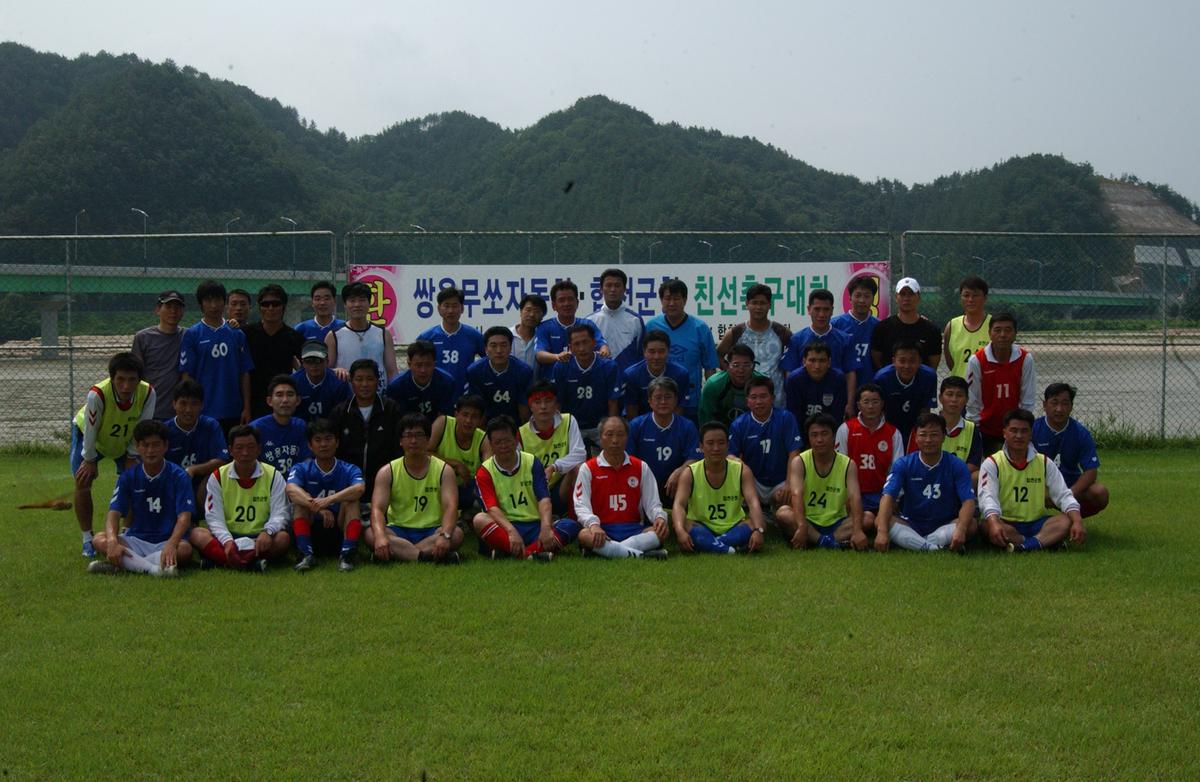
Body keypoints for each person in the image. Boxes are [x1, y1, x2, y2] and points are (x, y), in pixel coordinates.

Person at [71, 352, 156, 557]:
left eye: (131, 380)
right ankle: (87, 539)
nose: (126, 386)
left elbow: (143, 427)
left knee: (135, 481)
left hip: (125, 440)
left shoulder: (148, 393)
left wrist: (132, 455)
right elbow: (91, 430)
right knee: (82, 481)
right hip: (91, 438)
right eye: (120, 379)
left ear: (139, 379)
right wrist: (89, 460)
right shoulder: (97, 394)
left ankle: (128, 534)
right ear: (112, 378)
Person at [87, 420, 193, 577]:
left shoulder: (179, 475)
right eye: (145, 445)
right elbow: (114, 513)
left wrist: (171, 544)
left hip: (166, 539)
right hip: (136, 540)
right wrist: (112, 541)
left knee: (184, 550)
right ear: (137, 447)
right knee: (99, 539)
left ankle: (124, 565)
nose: (150, 450)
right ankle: (154, 569)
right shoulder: (128, 476)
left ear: (165, 446)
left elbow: (185, 517)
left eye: (156, 445)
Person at [473, 416, 581, 561]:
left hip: (535, 525)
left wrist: (546, 527)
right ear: (491, 445)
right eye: (498, 442)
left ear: (516, 439)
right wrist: (511, 531)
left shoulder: (532, 462)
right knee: (479, 519)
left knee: (571, 526)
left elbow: (544, 499)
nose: (503, 446)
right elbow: (492, 508)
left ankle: (514, 553)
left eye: (507, 440)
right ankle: (533, 554)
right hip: (506, 526)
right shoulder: (484, 471)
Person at [979, 409, 1086, 552]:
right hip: (1007, 522)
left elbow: (1063, 495)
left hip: (1037, 523)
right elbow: (987, 497)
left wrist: (1078, 521)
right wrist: (994, 522)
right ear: (1004, 433)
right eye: (1014, 430)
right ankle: (1044, 542)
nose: (1019, 436)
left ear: (1031, 434)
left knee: (1065, 521)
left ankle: (1023, 547)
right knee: (986, 526)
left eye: (1024, 431)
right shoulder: (992, 463)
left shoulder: (1044, 462)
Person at [366, 413, 464, 564]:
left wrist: (444, 536)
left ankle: (399, 555)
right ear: (400, 441)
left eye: (419, 435)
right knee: (371, 535)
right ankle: (425, 557)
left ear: (428, 439)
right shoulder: (387, 471)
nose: (413, 440)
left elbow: (451, 507)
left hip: (433, 529)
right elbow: (377, 509)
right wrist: (380, 536)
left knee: (456, 534)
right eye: (408, 435)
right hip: (399, 530)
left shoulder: (444, 470)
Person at [191, 424, 291, 571]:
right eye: (239, 448)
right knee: (196, 533)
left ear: (259, 449)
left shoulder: (273, 475)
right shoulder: (218, 476)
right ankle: (250, 564)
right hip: (229, 535)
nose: (245, 453)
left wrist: (268, 532)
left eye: (251, 447)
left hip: (260, 536)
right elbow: (213, 517)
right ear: (231, 450)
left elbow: (281, 512)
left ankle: (221, 561)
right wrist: (227, 541)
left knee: (283, 538)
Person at [874, 413, 976, 552]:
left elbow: (968, 502)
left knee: (971, 525)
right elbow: (888, 496)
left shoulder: (956, 465)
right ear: (916, 438)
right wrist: (882, 532)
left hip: (945, 523)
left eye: (934, 435)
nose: (928, 440)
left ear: (943, 437)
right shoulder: (904, 464)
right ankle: (933, 548)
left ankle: (918, 544)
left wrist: (961, 529)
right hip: (911, 523)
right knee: (880, 520)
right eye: (923, 435)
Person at [573, 417, 669, 559]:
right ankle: (642, 556)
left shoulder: (640, 466)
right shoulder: (588, 468)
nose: (615, 440)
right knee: (584, 535)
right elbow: (581, 505)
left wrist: (659, 517)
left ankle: (608, 552)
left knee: (662, 532)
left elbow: (653, 503)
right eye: (609, 434)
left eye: (620, 434)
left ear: (627, 437)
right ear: (600, 437)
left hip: (633, 528)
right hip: (602, 529)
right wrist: (593, 524)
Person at [671, 421, 767, 554]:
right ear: (701, 446)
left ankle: (710, 546)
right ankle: (731, 550)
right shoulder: (689, 473)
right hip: (701, 526)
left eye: (721, 443)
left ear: (728, 445)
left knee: (755, 523)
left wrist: (758, 530)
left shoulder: (742, 470)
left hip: (733, 526)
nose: (716, 448)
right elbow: (679, 505)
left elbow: (753, 503)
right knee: (684, 525)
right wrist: (680, 532)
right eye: (710, 443)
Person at [286, 418, 365, 571]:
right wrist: (317, 507)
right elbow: (290, 490)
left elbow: (359, 489)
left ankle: (347, 555)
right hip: (312, 528)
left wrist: (328, 500)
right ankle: (306, 555)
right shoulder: (301, 468)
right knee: (300, 501)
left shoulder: (350, 468)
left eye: (328, 439)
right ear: (310, 445)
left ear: (337, 443)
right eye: (318, 440)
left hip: (339, 528)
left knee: (352, 500)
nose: (323, 444)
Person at [179, 279, 253, 434]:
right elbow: (187, 376)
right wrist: (190, 408)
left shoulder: (236, 333)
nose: (213, 305)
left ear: (224, 303)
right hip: (203, 410)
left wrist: (246, 407)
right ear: (201, 304)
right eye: (208, 300)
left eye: (217, 300)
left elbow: (244, 373)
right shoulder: (192, 334)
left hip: (233, 409)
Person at [329, 358, 404, 509]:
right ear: (351, 381)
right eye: (359, 379)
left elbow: (399, 448)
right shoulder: (340, 412)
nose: (364, 384)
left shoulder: (391, 409)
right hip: (348, 484)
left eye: (370, 379)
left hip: (384, 482)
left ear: (378, 381)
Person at [783, 413, 865, 550]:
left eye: (824, 434)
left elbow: (855, 497)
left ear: (833, 436)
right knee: (783, 513)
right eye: (814, 435)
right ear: (808, 438)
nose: (819, 439)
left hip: (837, 521)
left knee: (867, 518)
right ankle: (828, 542)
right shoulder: (799, 461)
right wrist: (802, 525)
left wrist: (857, 531)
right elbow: (796, 495)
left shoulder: (848, 464)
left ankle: (821, 540)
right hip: (809, 520)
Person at [728, 377, 802, 524]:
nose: (759, 401)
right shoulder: (739, 424)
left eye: (763, 396)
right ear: (747, 401)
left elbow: (794, 453)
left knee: (792, 495)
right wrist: (745, 472)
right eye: (754, 397)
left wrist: (789, 482)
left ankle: (773, 509)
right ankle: (754, 510)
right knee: (732, 471)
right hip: (753, 480)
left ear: (772, 398)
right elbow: (730, 455)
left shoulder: (785, 418)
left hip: (780, 480)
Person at [835, 383, 904, 540]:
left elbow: (897, 471)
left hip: (881, 495)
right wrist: (846, 496)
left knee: (881, 520)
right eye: (866, 402)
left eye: (875, 401)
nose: (871, 406)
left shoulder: (893, 433)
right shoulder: (846, 429)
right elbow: (840, 468)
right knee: (866, 520)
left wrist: (893, 498)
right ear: (859, 404)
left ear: (882, 404)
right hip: (853, 494)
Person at [645, 278, 718, 420]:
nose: (672, 303)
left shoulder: (700, 328)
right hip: (659, 402)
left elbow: (710, 368)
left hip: (690, 402)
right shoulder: (651, 326)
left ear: (685, 300)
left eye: (676, 298)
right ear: (661, 300)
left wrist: (710, 400)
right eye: (667, 298)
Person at [1033, 383, 1109, 518]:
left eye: (1065, 404)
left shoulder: (1080, 432)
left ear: (1071, 407)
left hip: (1069, 485)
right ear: (1045, 405)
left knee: (1100, 493)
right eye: (1054, 403)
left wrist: (1068, 494)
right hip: (1037, 485)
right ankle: (1028, 520)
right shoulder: (1033, 429)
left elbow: (1091, 472)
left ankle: (1070, 518)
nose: (1059, 409)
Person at [966, 312, 1036, 455]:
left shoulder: (1025, 359)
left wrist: (1021, 427)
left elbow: (1027, 399)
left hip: (1014, 427)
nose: (1003, 335)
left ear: (1015, 334)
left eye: (1008, 330)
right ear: (990, 334)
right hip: (985, 427)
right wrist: (975, 431)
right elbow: (973, 401)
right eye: (997, 330)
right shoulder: (977, 360)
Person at [781, 289, 856, 417]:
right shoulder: (797, 339)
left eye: (826, 309)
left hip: (834, 400)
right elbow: (789, 373)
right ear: (809, 309)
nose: (821, 314)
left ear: (832, 310)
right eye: (817, 309)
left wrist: (849, 403)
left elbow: (850, 373)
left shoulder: (845, 339)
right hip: (804, 401)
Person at [715, 283, 791, 408]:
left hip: (776, 399)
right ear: (747, 304)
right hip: (745, 399)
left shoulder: (782, 332)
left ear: (769, 305)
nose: (758, 307)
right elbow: (717, 355)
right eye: (754, 303)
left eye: (762, 303)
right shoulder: (737, 332)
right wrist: (732, 372)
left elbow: (794, 358)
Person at [518, 381, 587, 516]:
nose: (543, 407)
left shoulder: (568, 420)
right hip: (535, 491)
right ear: (530, 406)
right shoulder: (521, 433)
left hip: (561, 486)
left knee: (580, 468)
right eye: (537, 402)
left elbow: (580, 454)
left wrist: (554, 467)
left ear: (556, 404)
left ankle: (575, 517)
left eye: (548, 401)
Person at [627, 377, 701, 500]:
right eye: (658, 397)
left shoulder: (687, 426)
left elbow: (694, 458)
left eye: (668, 397)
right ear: (650, 401)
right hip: (643, 484)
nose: (663, 402)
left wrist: (679, 472)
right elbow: (628, 458)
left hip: (677, 485)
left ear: (676, 400)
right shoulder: (636, 425)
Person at [550, 323, 622, 446]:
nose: (582, 348)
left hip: (600, 426)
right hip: (572, 426)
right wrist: (558, 430)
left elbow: (613, 402)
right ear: (570, 347)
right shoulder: (562, 366)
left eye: (585, 342)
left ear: (594, 343)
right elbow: (558, 403)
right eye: (577, 344)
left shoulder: (608, 366)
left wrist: (611, 430)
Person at [164, 379, 229, 507]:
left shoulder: (211, 425)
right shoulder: (165, 430)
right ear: (174, 404)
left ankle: (209, 518)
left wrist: (193, 470)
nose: (188, 410)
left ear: (202, 405)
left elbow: (222, 460)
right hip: (173, 482)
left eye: (194, 404)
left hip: (201, 480)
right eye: (183, 403)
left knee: (215, 478)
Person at [243, 284, 304, 419]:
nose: (270, 308)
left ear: (283, 307)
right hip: (253, 402)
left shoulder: (294, 337)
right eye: (266, 304)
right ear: (260, 307)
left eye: (275, 304)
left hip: (283, 403)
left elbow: (306, 368)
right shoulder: (246, 334)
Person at [911, 376, 984, 487]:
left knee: (978, 476)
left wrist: (949, 477)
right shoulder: (925, 425)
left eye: (959, 395)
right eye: (949, 394)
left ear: (967, 399)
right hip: (928, 477)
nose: (954, 400)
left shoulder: (972, 429)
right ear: (940, 398)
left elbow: (973, 464)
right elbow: (914, 458)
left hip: (957, 480)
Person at [326, 281, 398, 386]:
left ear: (369, 303)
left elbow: (392, 371)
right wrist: (336, 370)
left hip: (378, 394)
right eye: (352, 300)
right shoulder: (334, 336)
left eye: (362, 300)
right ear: (345, 305)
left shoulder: (383, 333)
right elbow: (327, 370)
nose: (357, 305)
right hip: (347, 395)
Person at [431, 395, 492, 519]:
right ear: (456, 414)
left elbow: (489, 472)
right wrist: (455, 464)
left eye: (474, 417)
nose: (468, 421)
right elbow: (424, 453)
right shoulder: (443, 423)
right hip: (437, 485)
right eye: (465, 415)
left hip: (466, 489)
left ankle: (466, 516)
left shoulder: (484, 440)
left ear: (481, 420)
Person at [417, 286, 485, 393]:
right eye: (446, 306)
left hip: (465, 395)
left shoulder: (473, 335)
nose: (450, 311)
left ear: (462, 308)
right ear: (439, 309)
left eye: (454, 306)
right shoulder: (427, 337)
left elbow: (488, 359)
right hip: (434, 393)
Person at [535, 279, 608, 376]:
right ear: (554, 305)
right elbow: (539, 354)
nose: (566, 303)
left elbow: (602, 345)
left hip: (583, 382)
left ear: (577, 302)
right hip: (552, 385)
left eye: (570, 299)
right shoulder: (545, 327)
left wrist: (604, 350)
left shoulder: (587, 325)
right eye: (561, 300)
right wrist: (557, 357)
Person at [131, 289, 185, 419]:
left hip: (179, 413)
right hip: (149, 409)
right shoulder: (143, 338)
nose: (173, 311)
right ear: (158, 310)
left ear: (183, 311)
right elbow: (135, 374)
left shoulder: (189, 336)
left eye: (177, 307)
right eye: (168, 307)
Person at [869, 277, 941, 371]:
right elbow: (877, 360)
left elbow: (933, 365)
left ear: (918, 297)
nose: (906, 298)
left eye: (911, 294)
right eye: (902, 294)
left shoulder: (931, 330)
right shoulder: (882, 328)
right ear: (896, 297)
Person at [873, 342, 938, 442]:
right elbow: (879, 411)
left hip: (915, 423)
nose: (907, 366)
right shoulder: (882, 378)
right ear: (894, 361)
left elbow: (925, 409)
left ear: (920, 361)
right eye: (902, 361)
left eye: (912, 361)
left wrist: (921, 433)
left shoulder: (929, 376)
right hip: (889, 423)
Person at [466, 326, 533, 422]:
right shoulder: (475, 371)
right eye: (493, 345)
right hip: (486, 425)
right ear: (486, 349)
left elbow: (524, 410)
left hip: (514, 425)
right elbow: (477, 408)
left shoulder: (523, 371)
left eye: (503, 345)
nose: (499, 351)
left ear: (510, 348)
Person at [248, 374, 311, 475]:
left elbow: (307, 461)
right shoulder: (255, 428)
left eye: (290, 395)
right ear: (269, 401)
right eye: (279, 395)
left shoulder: (301, 426)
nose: (285, 400)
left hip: (295, 486)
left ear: (298, 400)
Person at [585, 268, 644, 374]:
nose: (613, 289)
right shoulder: (590, 321)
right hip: (599, 380)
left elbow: (642, 355)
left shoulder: (635, 320)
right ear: (601, 289)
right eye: (608, 285)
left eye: (617, 285)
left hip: (628, 382)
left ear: (624, 289)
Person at [622, 329, 690, 419]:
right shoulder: (631, 375)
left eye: (661, 351)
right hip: (642, 426)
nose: (656, 357)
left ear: (668, 351)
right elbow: (632, 409)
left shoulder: (681, 374)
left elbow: (679, 408)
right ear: (644, 352)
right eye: (652, 351)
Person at [831, 275, 880, 393]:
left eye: (867, 296)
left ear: (873, 298)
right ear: (850, 298)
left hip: (871, 389)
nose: (862, 300)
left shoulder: (879, 326)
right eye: (857, 295)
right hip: (841, 388)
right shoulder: (835, 324)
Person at [385, 340, 457, 418]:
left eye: (428, 365)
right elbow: (398, 419)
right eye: (418, 365)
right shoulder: (396, 387)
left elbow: (444, 417)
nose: (423, 370)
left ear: (434, 364)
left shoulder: (446, 382)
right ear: (409, 364)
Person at [697, 344, 763, 426]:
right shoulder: (713, 385)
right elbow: (706, 420)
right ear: (727, 366)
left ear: (753, 366)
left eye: (746, 365)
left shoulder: (762, 383)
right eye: (736, 365)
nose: (741, 370)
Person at [785, 342, 847, 424]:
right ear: (804, 361)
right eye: (812, 360)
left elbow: (837, 415)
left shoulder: (838, 379)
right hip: (802, 429)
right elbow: (794, 416)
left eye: (822, 361)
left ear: (829, 362)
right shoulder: (794, 380)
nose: (817, 366)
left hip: (829, 429)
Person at [290, 340, 352, 421]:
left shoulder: (339, 382)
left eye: (318, 360)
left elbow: (346, 412)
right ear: (302, 363)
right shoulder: (292, 382)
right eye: (309, 361)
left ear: (327, 361)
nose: (314, 365)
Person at [943, 276, 991, 379]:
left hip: (986, 389)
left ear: (985, 298)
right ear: (961, 297)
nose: (970, 300)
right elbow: (951, 363)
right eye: (966, 295)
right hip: (960, 389)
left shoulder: (994, 326)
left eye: (975, 295)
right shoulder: (952, 326)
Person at [511, 293, 546, 369]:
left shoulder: (544, 338)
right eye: (528, 310)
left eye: (536, 311)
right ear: (521, 311)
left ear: (542, 316)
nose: (532, 314)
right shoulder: (507, 335)